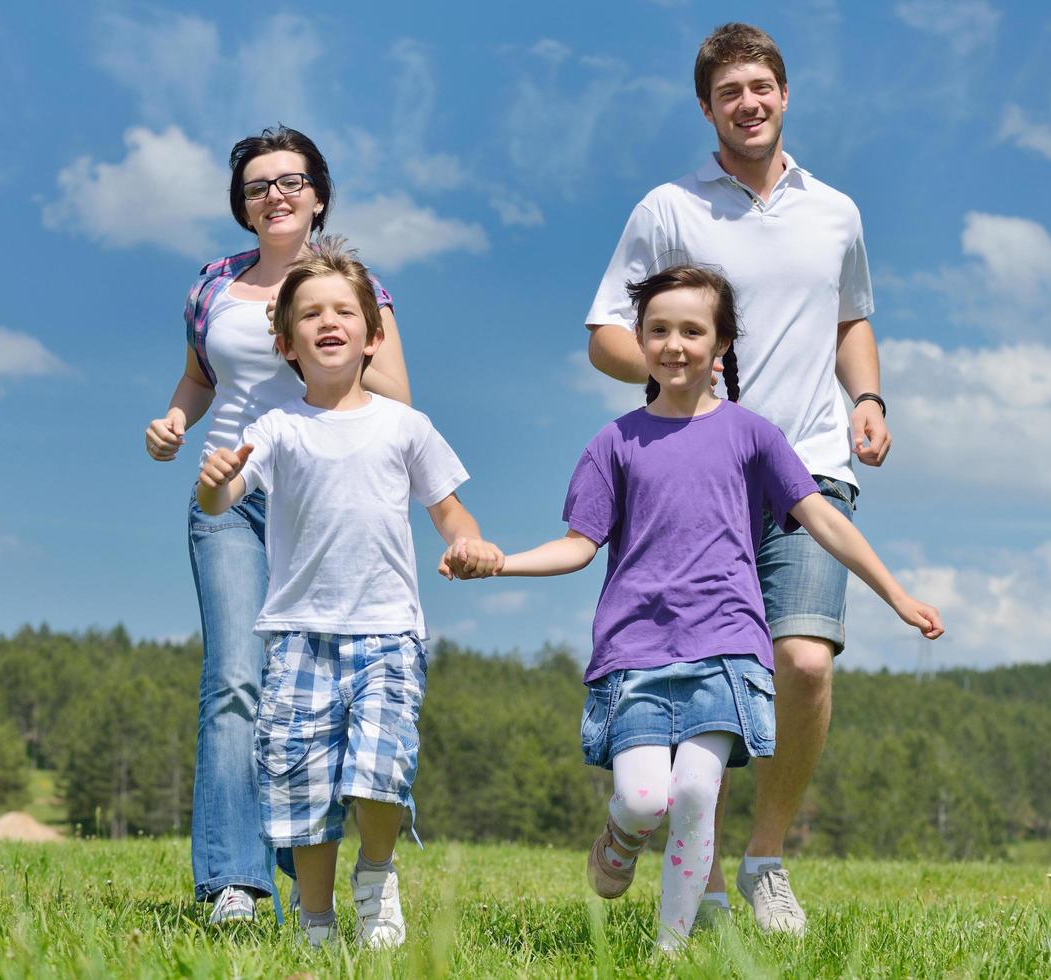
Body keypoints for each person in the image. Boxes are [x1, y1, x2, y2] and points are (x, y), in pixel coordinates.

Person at [459, 266, 940, 954]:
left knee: (693, 794)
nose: (674, 344)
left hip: (725, 651)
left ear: (721, 346)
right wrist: (500, 560)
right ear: (641, 342)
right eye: (659, 330)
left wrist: (895, 595)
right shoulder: (613, 442)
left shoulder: (754, 435)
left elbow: (821, 521)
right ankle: (621, 835)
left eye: (692, 330)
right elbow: (576, 546)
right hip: (634, 657)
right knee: (646, 799)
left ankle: (669, 953)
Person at [583, 23, 891, 934]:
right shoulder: (668, 208)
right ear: (707, 108)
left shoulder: (834, 210)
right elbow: (607, 329)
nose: (748, 104)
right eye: (729, 93)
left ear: (784, 94)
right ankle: (693, 864)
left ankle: (765, 854)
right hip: (695, 475)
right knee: (693, 678)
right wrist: (673, 375)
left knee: (800, 663)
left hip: (809, 468)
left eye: (761, 87)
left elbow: (851, 320)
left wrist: (867, 396)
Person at [143, 125, 411, 926]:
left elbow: (396, 394)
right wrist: (171, 422)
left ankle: (316, 881)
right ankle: (234, 881)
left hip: (321, 505)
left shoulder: (351, 287)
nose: (275, 195)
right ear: (243, 206)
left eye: (290, 181)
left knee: (314, 693)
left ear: (318, 196)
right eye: (258, 186)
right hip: (228, 497)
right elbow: (198, 380)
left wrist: (325, 357)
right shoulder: (212, 286)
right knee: (235, 680)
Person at [196, 238, 491, 948]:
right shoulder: (276, 427)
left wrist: (468, 543)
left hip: (388, 629)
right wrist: (214, 487)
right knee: (301, 787)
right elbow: (229, 493)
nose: (328, 322)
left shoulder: (405, 426)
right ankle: (317, 918)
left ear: (372, 333)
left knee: (377, 773)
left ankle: (378, 873)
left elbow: (450, 511)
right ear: (286, 342)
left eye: (343, 312)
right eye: (310, 315)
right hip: (298, 632)